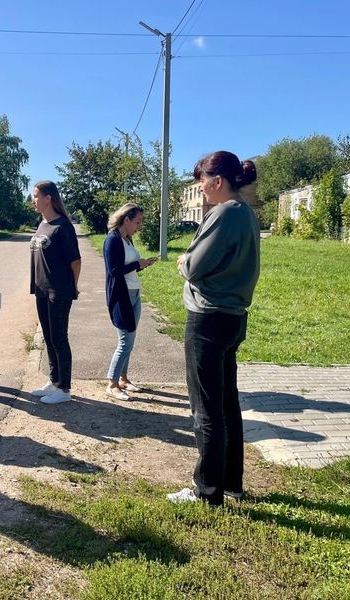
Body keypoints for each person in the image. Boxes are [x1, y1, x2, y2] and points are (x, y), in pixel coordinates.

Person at [166, 151, 260, 507]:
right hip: (233, 317)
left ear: (217, 181)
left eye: (202, 181)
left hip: (207, 318)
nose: (200, 188)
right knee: (226, 404)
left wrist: (182, 261)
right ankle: (232, 484)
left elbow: (194, 266)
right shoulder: (246, 214)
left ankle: (207, 493)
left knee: (205, 409)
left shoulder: (222, 214)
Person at [29, 180, 81, 405]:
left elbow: (76, 261)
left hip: (58, 290)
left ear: (48, 198)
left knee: (59, 338)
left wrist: (72, 286)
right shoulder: (42, 224)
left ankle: (65, 389)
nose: (33, 200)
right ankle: (54, 380)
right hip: (41, 289)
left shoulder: (63, 226)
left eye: (35, 196)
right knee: (48, 338)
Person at [103, 203, 158, 401]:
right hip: (121, 296)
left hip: (134, 293)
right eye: (137, 221)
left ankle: (124, 379)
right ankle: (112, 383)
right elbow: (114, 271)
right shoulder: (112, 239)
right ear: (126, 219)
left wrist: (142, 265)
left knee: (130, 340)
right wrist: (137, 263)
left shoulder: (127, 239)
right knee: (125, 341)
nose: (139, 226)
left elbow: (128, 268)